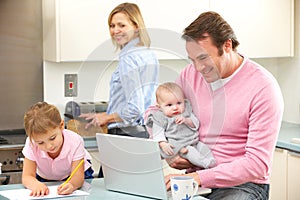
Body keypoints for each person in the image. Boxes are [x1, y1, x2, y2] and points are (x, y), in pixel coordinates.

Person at [162, 11, 284, 200]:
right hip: (197, 178)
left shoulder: (263, 87)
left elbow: (257, 164)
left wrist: (199, 177)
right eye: (192, 60)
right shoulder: (190, 75)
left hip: (244, 186)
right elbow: (161, 111)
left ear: (227, 45)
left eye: (203, 58)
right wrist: (171, 152)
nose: (197, 68)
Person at [79, 2, 159, 177]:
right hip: (145, 135)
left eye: (122, 25)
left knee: (107, 191)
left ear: (136, 27)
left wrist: (106, 117)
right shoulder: (149, 54)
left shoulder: (128, 59)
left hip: (124, 138)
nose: (115, 30)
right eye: (112, 25)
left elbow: (134, 109)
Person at [22, 102, 94, 197]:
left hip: (75, 176)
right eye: (40, 143)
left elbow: (78, 177)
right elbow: (27, 176)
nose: (49, 146)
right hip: (45, 177)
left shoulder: (75, 141)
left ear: (61, 126)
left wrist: (72, 185)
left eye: (52, 138)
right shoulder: (31, 143)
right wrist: (35, 185)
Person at [146, 82, 215, 168]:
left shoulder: (186, 111)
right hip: (179, 145)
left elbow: (195, 124)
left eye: (179, 103)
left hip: (194, 140)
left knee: (203, 147)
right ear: (159, 107)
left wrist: (186, 120)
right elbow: (157, 134)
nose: (175, 107)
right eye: (169, 105)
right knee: (191, 152)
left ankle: (211, 160)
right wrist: (163, 144)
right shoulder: (160, 117)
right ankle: (205, 164)